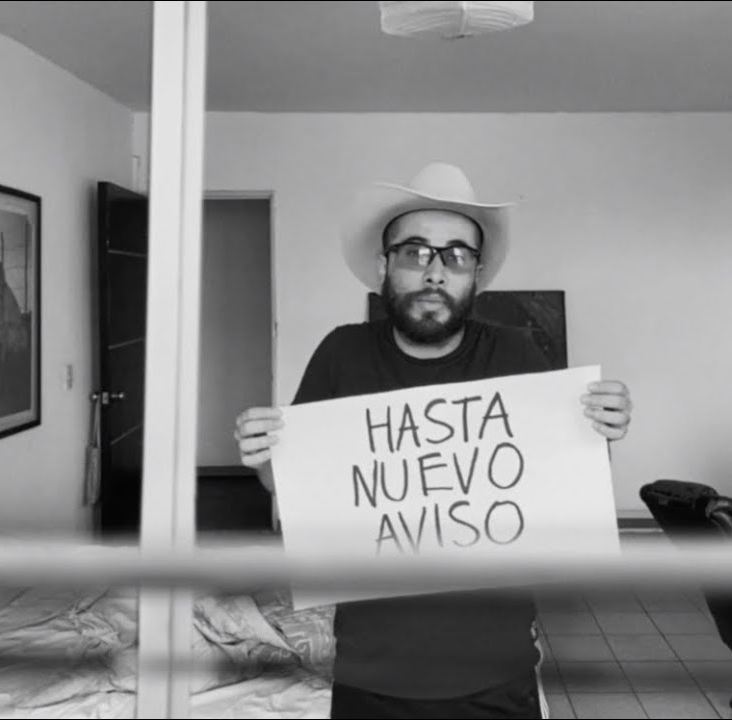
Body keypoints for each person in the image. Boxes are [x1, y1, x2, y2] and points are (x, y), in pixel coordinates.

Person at [233, 162, 633, 719]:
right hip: (371, 672)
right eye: (415, 253)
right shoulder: (341, 353)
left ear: (477, 273)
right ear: (384, 265)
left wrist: (600, 434)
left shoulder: (515, 353)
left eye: (456, 256)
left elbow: (561, 485)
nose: (435, 273)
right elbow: (291, 486)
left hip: (496, 671)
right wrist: (262, 457)